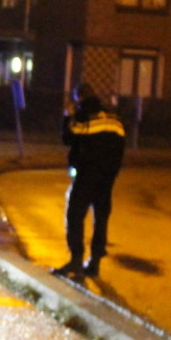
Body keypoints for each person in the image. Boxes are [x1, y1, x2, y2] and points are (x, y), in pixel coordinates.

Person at [54, 85, 126, 278]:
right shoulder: (113, 118)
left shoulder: (83, 116)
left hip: (87, 173)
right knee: (101, 218)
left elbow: (68, 138)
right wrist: (112, 171)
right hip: (108, 176)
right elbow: (121, 147)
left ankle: (76, 260)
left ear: (79, 98)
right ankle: (94, 263)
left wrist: (67, 115)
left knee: (75, 215)